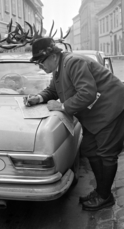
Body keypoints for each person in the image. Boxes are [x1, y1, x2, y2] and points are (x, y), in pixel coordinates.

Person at [25, 37, 124, 211]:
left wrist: (62, 106)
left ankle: (105, 196)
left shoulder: (73, 62)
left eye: (41, 62)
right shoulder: (58, 68)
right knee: (89, 149)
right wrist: (38, 97)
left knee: (106, 153)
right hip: (94, 112)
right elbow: (53, 90)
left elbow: (87, 93)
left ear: (53, 56)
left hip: (110, 108)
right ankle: (101, 191)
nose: (41, 67)